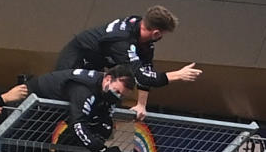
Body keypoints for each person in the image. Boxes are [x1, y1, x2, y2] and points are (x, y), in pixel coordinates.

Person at [2, 66, 135, 152]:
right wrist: (103, 150)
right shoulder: (83, 89)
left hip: (45, 121)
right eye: (118, 91)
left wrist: (100, 135)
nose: (118, 96)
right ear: (108, 79)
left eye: (122, 95)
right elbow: (77, 124)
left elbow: (104, 123)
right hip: (28, 112)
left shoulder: (105, 92)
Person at [55, 6, 201, 121]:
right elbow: (141, 76)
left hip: (96, 66)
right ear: (156, 33)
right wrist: (178, 75)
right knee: (63, 108)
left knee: (93, 113)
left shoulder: (141, 33)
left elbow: (146, 69)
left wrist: (141, 105)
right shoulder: (122, 42)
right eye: (162, 35)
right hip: (75, 63)